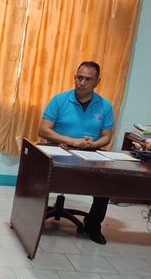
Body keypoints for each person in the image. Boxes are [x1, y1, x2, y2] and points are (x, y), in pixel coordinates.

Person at [38, 61, 115, 245]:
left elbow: (106, 136)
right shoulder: (59, 100)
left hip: (90, 154)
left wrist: (92, 144)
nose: (82, 82)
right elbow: (43, 130)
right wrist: (72, 141)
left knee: (107, 182)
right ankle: (35, 219)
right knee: (39, 174)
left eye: (88, 79)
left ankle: (93, 226)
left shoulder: (105, 106)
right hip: (60, 152)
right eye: (79, 77)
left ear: (97, 82)